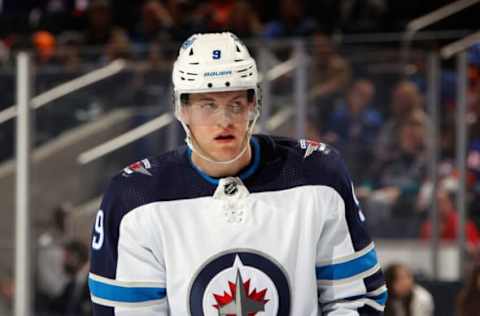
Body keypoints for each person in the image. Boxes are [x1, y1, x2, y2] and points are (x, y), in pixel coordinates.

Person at [88, 32, 387, 315]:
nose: (224, 121)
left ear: (253, 105)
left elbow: (356, 297)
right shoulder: (134, 199)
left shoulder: (317, 174)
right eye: (208, 105)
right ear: (183, 110)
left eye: (235, 104)